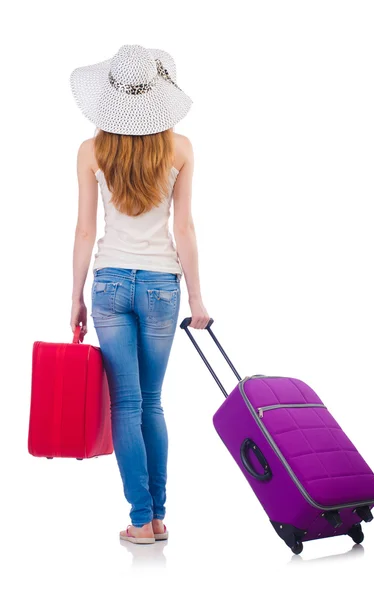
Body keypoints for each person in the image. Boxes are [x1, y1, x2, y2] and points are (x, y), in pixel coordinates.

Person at [69, 44, 210, 544]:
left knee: (125, 405)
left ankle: (139, 520)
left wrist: (76, 297)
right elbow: (185, 229)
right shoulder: (181, 148)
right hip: (161, 286)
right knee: (151, 401)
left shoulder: (92, 151)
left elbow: (86, 231)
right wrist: (196, 300)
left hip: (107, 283)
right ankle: (157, 518)